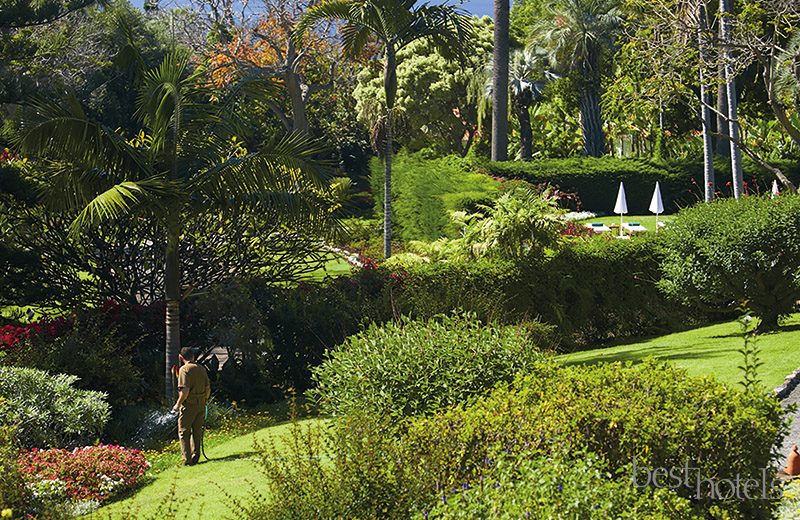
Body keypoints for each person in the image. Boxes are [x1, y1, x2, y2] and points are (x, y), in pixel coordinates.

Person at [171, 347, 211, 466]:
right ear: (192, 356)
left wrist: (178, 404)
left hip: (189, 405)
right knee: (197, 431)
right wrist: (205, 400)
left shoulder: (184, 370)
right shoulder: (201, 368)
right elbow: (208, 388)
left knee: (184, 431)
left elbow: (185, 390)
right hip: (201, 404)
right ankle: (195, 456)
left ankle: (187, 460)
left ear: (181, 357)